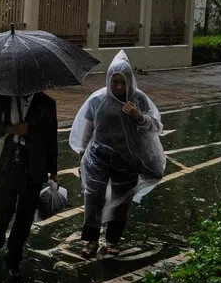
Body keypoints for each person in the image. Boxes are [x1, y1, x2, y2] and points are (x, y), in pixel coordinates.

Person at [69, 50, 165, 258]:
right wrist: (82, 155)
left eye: (123, 83)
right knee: (93, 197)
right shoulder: (98, 99)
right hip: (99, 158)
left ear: (130, 81)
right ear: (109, 80)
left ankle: (112, 241)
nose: (119, 87)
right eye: (115, 82)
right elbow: (88, 128)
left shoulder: (139, 99)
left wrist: (138, 116)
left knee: (122, 201)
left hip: (128, 161)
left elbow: (155, 126)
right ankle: (91, 240)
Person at [0, 90, 58, 282]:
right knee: (3, 204)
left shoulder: (47, 103)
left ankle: (13, 259)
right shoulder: (1, 97)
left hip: (34, 167)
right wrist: (11, 129)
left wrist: (53, 171)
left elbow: (51, 138)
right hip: (7, 162)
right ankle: (1, 223)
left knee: (25, 216)